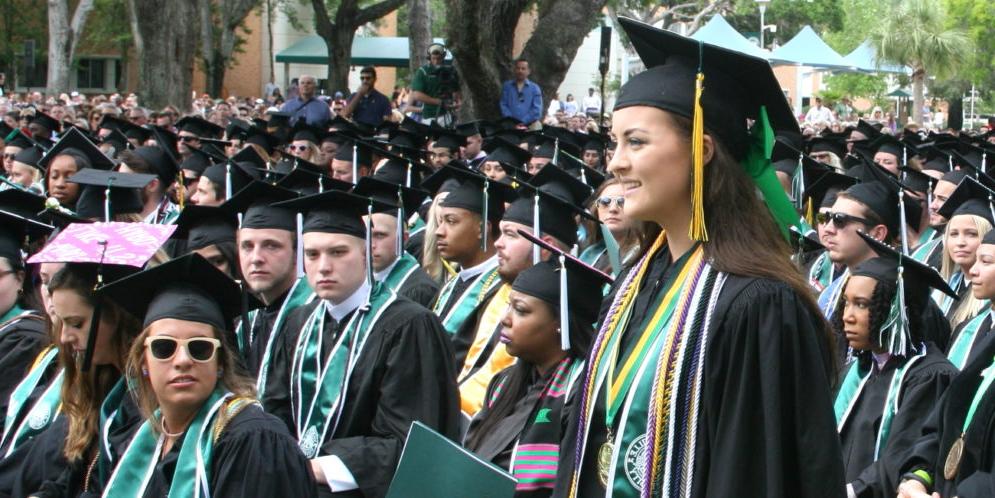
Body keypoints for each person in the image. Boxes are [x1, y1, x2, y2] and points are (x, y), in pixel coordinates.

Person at [553, 19, 844, 497]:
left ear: (702, 149)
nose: (614, 162)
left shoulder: (760, 306)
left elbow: (755, 476)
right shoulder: (634, 281)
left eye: (636, 142)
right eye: (614, 142)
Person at [264, 189, 460, 497]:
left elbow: (407, 440)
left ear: (366, 252)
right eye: (312, 254)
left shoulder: (408, 326)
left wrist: (319, 468)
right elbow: (275, 409)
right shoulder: (297, 322)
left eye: (338, 252)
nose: (324, 266)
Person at [98, 254, 318, 497]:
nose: (182, 360)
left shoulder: (253, 439)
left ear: (221, 362)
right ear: (143, 362)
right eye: (164, 347)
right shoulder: (142, 439)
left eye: (200, 348)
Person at [465, 234, 610, 497]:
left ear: (560, 324)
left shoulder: (583, 395)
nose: (505, 320)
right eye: (509, 307)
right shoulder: (504, 384)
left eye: (520, 310)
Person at [452, 165, 591, 423]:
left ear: (545, 247)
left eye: (510, 235)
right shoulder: (495, 293)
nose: (497, 243)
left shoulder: (575, 310)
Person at [832, 233, 958, 498]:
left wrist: (850, 491)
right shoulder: (861, 372)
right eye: (846, 303)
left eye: (862, 305)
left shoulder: (929, 376)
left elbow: (905, 454)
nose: (847, 316)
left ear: (895, 311)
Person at [225, 181, 314, 393]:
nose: (256, 258)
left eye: (271, 245)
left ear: (297, 251)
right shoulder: (243, 320)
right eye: (247, 246)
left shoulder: (315, 321)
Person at [425, 166, 512, 335]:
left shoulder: (503, 293)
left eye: (451, 221)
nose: (439, 231)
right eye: (440, 221)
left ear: (482, 229)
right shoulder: (453, 283)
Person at [353, 173, 439, 308]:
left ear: (404, 239)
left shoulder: (419, 290)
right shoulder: (354, 280)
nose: (370, 245)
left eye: (379, 235)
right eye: (364, 235)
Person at [933, 178, 993, 330]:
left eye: (971, 234)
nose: (960, 242)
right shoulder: (944, 287)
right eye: (953, 234)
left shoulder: (988, 297)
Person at [579, 177, 645, 275]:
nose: (613, 209)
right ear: (596, 210)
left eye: (622, 201)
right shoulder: (589, 255)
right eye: (605, 202)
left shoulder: (643, 256)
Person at [410, 44, 459, 125]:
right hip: (430, 116)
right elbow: (416, 95)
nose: (436, 61)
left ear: (443, 57)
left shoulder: (450, 71)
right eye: (433, 58)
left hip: (448, 115)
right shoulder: (423, 72)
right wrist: (437, 102)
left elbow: (456, 93)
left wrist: (455, 102)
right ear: (429, 57)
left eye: (438, 58)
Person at [500, 59, 543, 128]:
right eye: (518, 68)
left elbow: (537, 110)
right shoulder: (507, 86)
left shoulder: (535, 88)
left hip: (529, 127)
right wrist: (512, 121)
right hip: (509, 126)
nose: (520, 71)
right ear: (514, 70)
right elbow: (503, 105)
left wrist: (523, 122)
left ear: (528, 71)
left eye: (523, 69)